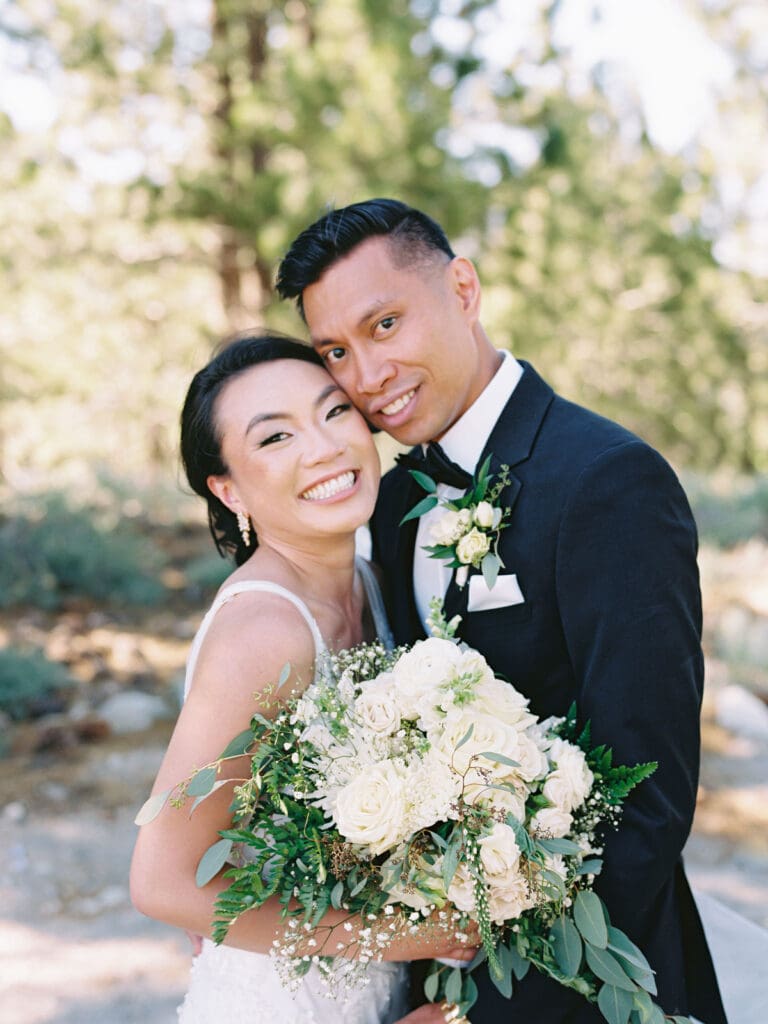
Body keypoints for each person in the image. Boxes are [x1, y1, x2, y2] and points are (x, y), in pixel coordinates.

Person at [276, 199, 729, 1024]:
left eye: (384, 325)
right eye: (336, 351)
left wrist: (475, 1012)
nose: (366, 375)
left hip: (590, 986)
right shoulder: (387, 498)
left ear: (463, 287)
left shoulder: (610, 482)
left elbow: (647, 806)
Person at [129, 333, 475, 1024]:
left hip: (370, 988)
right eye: (276, 437)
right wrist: (411, 938)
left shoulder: (375, 583)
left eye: (335, 412)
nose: (323, 448)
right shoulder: (265, 632)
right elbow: (162, 882)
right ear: (228, 489)